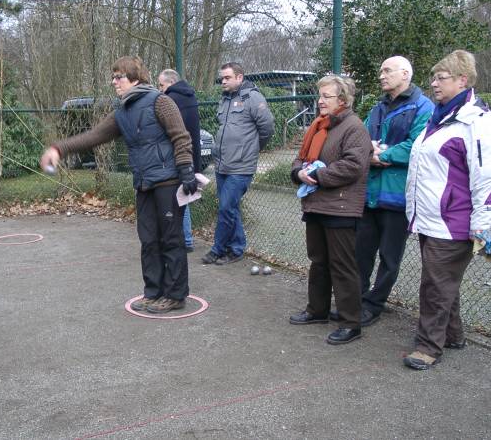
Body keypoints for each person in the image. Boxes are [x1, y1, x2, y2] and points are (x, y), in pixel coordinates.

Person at [40, 56, 197, 314]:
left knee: (171, 239)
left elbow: (181, 136)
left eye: (118, 77)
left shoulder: (161, 101)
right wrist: (59, 149)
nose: (114, 82)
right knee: (148, 240)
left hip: (168, 181)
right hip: (144, 183)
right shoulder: (122, 113)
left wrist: (186, 169)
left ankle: (176, 295)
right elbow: (94, 136)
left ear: (135, 78)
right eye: (113, 77)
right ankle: (153, 292)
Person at [403, 50, 491, 370]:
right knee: (442, 282)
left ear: (462, 81)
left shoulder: (477, 122)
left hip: (454, 221)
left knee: (435, 285)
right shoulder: (439, 117)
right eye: (434, 77)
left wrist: (482, 224)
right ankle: (453, 335)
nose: (434, 83)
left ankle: (429, 346)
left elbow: (485, 177)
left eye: (442, 78)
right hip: (429, 218)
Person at [331, 57, 434, 326]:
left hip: (397, 196)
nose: (381, 76)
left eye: (387, 71)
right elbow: (361, 140)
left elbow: (418, 145)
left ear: (405, 73)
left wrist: (382, 154)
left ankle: (374, 305)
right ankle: (355, 301)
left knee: (390, 257)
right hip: (369, 195)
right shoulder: (377, 109)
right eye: (380, 71)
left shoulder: (424, 107)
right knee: (360, 253)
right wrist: (371, 152)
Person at [288, 75, 372, 345]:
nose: (320, 101)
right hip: (315, 204)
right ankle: (317, 310)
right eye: (320, 96)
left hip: (341, 206)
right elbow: (300, 158)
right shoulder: (317, 126)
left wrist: (317, 176)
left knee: (342, 265)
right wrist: (298, 172)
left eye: (327, 96)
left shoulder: (354, 127)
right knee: (318, 260)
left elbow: (353, 165)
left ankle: (351, 322)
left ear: (343, 100)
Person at [201, 62, 275, 265]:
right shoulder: (224, 99)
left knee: (226, 208)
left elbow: (267, 128)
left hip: (241, 166)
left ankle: (217, 249)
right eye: (222, 78)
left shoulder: (253, 98)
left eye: (227, 77)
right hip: (222, 164)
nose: (223, 81)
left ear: (239, 77)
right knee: (230, 208)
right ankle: (236, 248)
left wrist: (252, 148)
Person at [158, 69, 201, 253]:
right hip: (191, 154)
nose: (160, 89)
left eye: (161, 85)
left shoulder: (171, 100)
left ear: (171, 82)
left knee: (178, 198)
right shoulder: (189, 96)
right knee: (184, 195)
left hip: (178, 156)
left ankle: (185, 239)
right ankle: (187, 238)